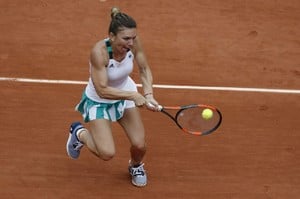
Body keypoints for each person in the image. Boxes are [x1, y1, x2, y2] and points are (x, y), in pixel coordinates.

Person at [66, 7, 160, 187]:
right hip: (99, 101)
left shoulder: (134, 43)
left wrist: (148, 94)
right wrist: (133, 96)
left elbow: (144, 68)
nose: (131, 43)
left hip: (124, 96)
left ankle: (136, 166)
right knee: (107, 153)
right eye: (126, 39)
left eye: (133, 38)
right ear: (111, 36)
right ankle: (79, 133)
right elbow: (102, 89)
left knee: (140, 145)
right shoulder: (99, 53)